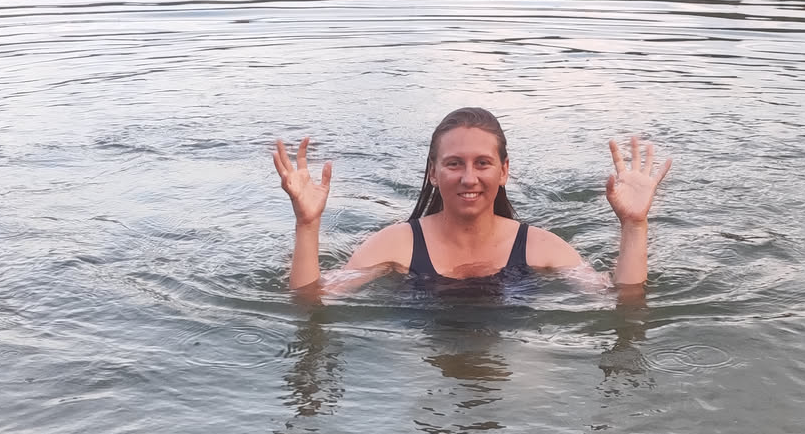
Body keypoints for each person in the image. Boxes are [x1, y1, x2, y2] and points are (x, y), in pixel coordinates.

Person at [271, 106, 672, 296]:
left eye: (482, 163)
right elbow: (311, 300)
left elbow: (619, 300)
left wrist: (634, 226)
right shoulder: (395, 245)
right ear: (433, 172)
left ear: (504, 171)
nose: (468, 178)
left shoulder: (541, 247)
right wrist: (307, 225)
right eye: (453, 163)